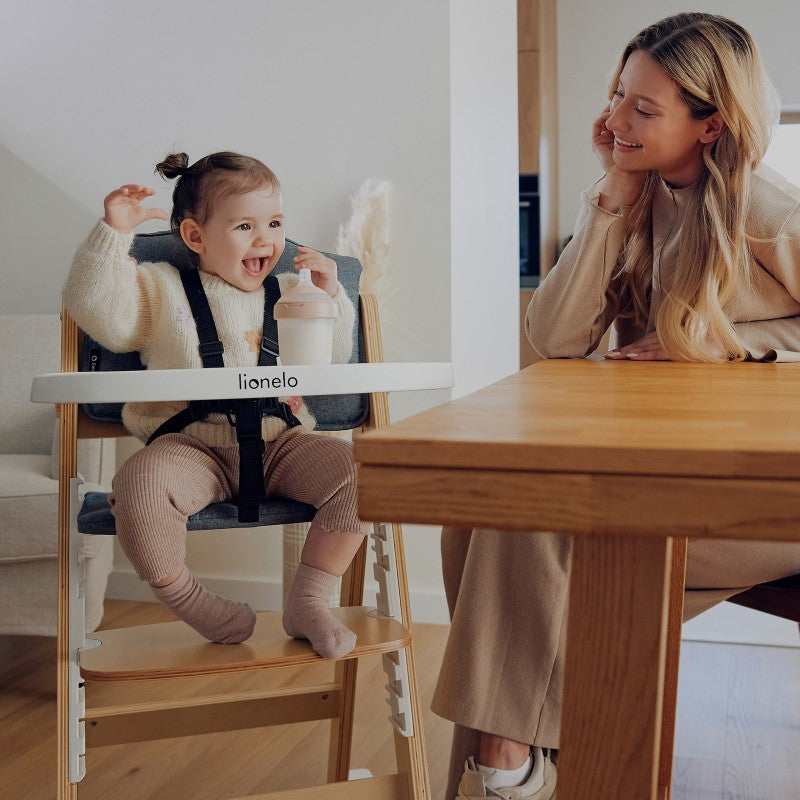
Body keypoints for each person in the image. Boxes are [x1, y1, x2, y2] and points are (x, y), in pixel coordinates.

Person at [432, 13, 800, 799]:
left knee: (535, 522)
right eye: (617, 95)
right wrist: (612, 192)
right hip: (669, 473)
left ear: (713, 124)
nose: (614, 120)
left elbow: (736, 335)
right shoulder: (631, 202)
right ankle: (519, 754)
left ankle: (505, 761)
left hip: (767, 500)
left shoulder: (773, 220)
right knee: (480, 507)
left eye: (645, 108)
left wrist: (722, 341)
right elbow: (555, 336)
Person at [64, 151, 369, 659]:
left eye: (274, 222)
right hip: (190, 448)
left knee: (372, 476)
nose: (265, 239)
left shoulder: (293, 290)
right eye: (245, 225)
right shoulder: (160, 288)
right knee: (136, 488)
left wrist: (328, 297)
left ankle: (310, 601)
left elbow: (329, 362)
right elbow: (98, 311)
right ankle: (193, 601)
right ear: (195, 237)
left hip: (282, 442)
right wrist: (112, 235)